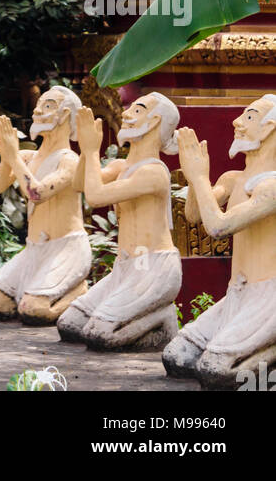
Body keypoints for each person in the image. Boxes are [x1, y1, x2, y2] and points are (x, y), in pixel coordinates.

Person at [164, 97, 276, 388]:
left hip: (269, 295)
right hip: (237, 294)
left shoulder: (272, 185)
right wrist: (193, 177)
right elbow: (193, 215)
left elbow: (218, 227)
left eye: (249, 117)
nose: (237, 122)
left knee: (214, 370)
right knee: (177, 357)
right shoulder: (233, 178)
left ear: (268, 129)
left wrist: (200, 178)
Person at [57, 94, 182, 349]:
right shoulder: (121, 166)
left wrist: (92, 150)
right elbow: (80, 184)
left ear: (155, 120)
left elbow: (96, 196)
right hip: (125, 267)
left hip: (153, 266)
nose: (125, 114)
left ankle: (162, 319)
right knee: (70, 325)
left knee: (98, 335)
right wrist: (85, 148)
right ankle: (143, 318)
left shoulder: (155, 172)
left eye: (137, 110)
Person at [0, 87, 91, 324]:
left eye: (47, 106)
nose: (37, 110)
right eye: (39, 104)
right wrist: (8, 156)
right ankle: (36, 293)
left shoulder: (69, 160)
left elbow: (36, 193)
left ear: (65, 114)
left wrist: (14, 157)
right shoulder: (28, 158)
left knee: (33, 311)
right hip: (34, 249)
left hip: (66, 249)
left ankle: (79, 295)